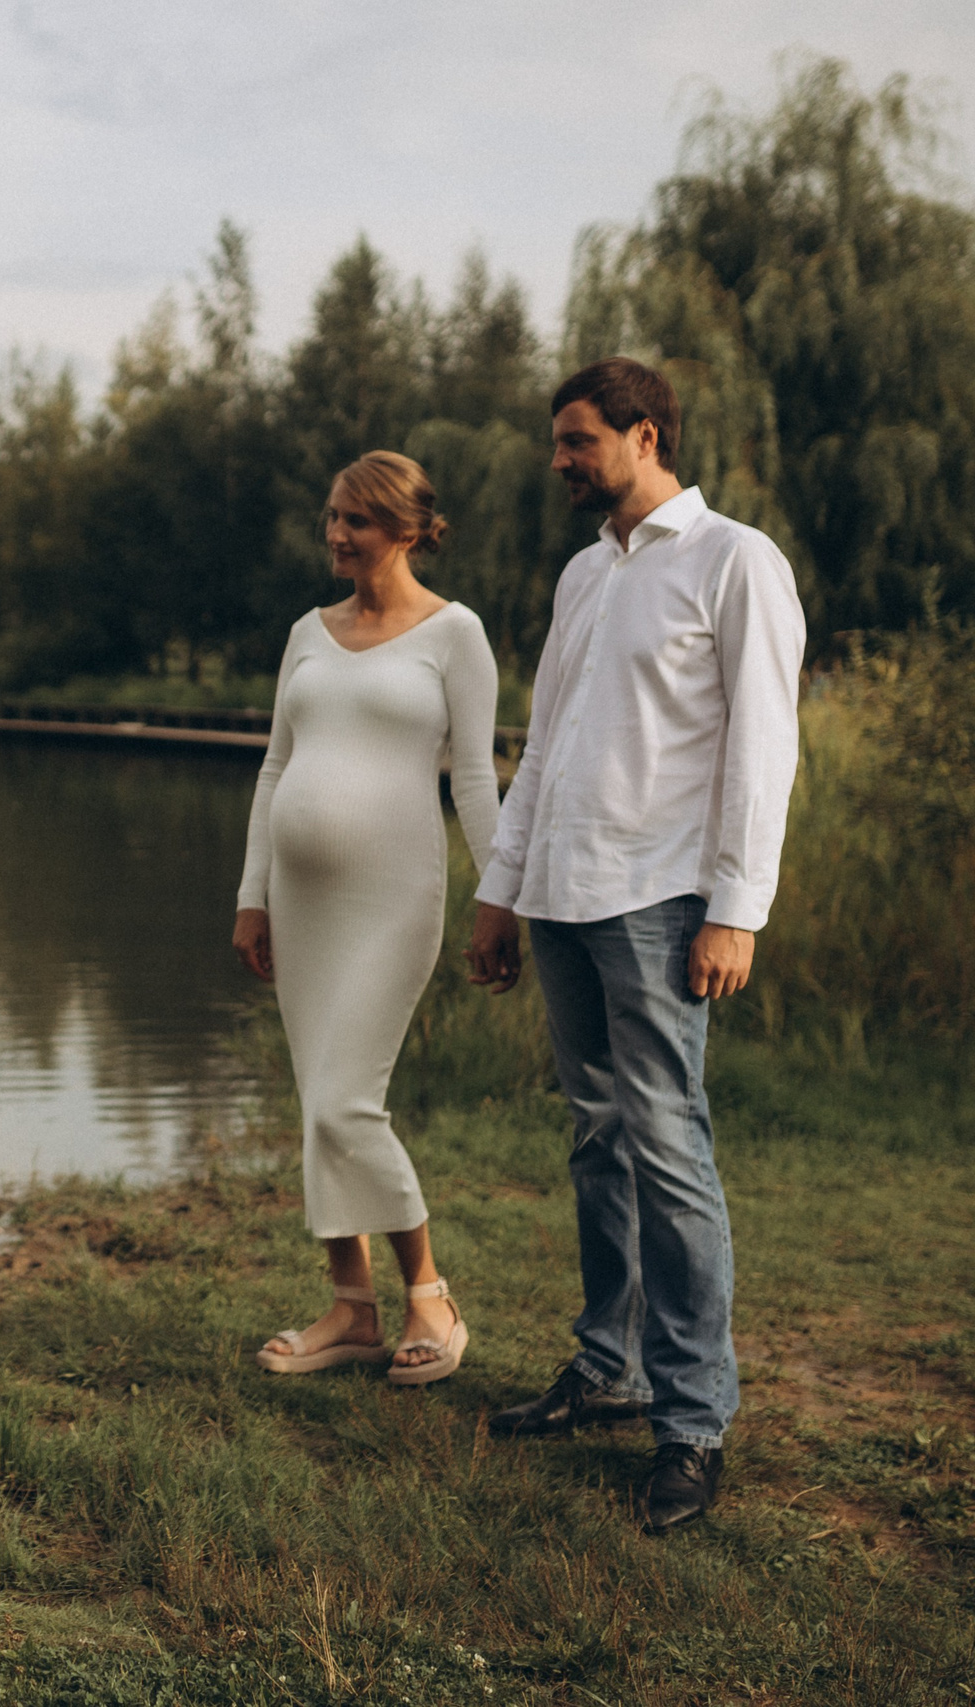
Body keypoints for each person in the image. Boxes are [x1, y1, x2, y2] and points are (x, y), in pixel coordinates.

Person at [466, 358, 804, 1535]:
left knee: (666, 1145)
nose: (558, 460)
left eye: (575, 441)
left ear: (642, 433)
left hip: (661, 899)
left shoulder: (733, 562)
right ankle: (603, 1365)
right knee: (594, 1137)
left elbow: (763, 748)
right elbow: (546, 741)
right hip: (561, 895)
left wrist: (735, 909)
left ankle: (692, 1419)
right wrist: (500, 891)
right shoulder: (582, 575)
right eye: (557, 442)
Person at [234, 450, 502, 1386]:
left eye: (355, 520)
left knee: (349, 1096)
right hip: (302, 905)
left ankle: (431, 1293)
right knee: (321, 1101)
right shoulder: (308, 631)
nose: (337, 535)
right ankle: (351, 1309)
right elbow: (276, 765)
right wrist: (251, 893)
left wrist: (501, 893)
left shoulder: (455, 635)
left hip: (394, 898)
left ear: (407, 529)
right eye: (332, 517)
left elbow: (473, 775)